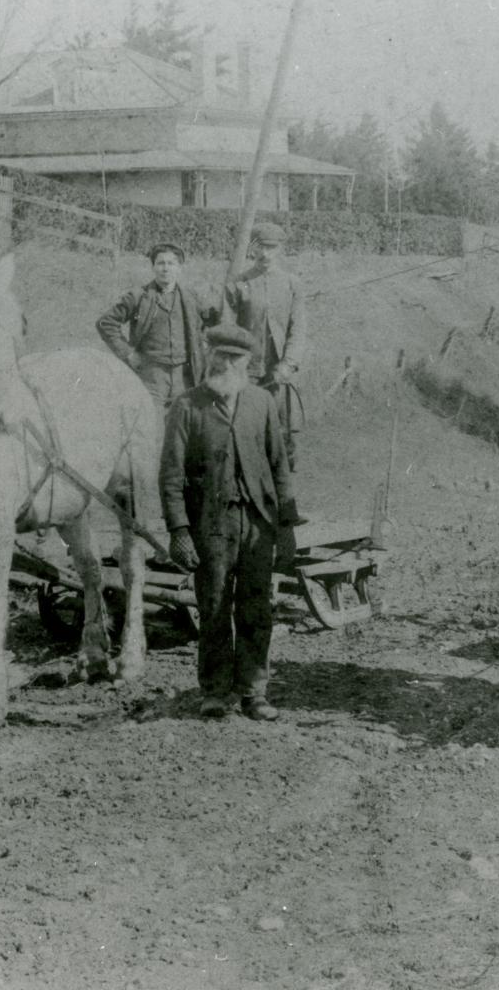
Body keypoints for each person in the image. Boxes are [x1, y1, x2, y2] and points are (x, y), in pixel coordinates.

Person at [160, 324, 302, 721]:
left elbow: (280, 466)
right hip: (211, 525)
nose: (226, 364)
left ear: (248, 364)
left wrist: (287, 527)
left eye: (235, 359)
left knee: (257, 608)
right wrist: (179, 531)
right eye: (220, 357)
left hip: (257, 523)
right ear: (210, 358)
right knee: (215, 606)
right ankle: (216, 692)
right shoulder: (186, 407)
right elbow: (171, 475)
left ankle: (254, 692)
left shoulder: (262, 402)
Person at [221, 221, 307, 467]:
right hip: (247, 370)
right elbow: (228, 329)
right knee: (244, 427)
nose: (266, 254)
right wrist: (234, 366)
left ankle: (282, 486)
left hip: (279, 371)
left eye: (272, 248)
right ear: (253, 248)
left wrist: (288, 365)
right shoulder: (238, 284)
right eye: (261, 247)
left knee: (282, 432)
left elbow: (298, 329)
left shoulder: (292, 284)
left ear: (280, 249)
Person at [96, 243, 208, 402]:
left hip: (185, 376)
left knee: (182, 420)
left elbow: (211, 322)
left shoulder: (191, 297)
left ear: (179, 268)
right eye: (160, 263)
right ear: (153, 267)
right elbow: (106, 323)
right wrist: (128, 353)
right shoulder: (139, 296)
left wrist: (203, 343)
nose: (165, 269)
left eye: (171, 263)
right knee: (151, 421)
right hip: (151, 375)